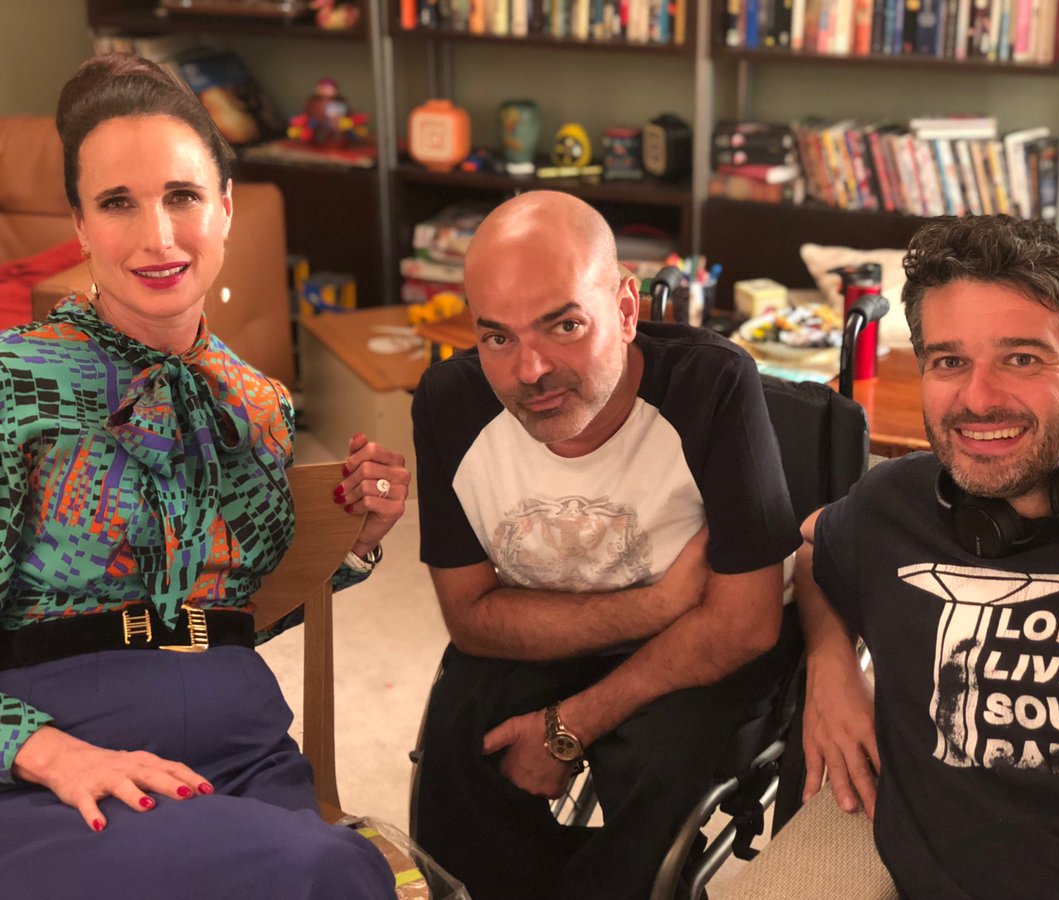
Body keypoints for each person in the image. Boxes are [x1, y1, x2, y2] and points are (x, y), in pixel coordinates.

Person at [0, 54, 410, 899]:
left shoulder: (261, 404)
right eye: (118, 203)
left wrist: (355, 543)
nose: (158, 236)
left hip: (246, 747)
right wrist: (51, 753)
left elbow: (231, 614)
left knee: (319, 868)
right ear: (80, 225)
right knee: (329, 872)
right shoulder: (14, 380)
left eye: (182, 196)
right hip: (61, 762)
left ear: (225, 207)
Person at [411, 190, 802, 899]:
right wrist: (660, 604)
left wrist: (568, 727)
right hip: (600, 624)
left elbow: (745, 624)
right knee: (459, 752)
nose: (530, 370)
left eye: (564, 325)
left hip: (697, 647)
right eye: (498, 338)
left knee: (658, 763)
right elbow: (470, 618)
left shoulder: (713, 386)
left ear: (625, 309)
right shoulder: (448, 403)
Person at [797, 215, 1059, 898]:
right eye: (949, 361)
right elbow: (811, 547)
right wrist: (830, 664)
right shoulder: (891, 506)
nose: (978, 399)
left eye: (1021, 358)